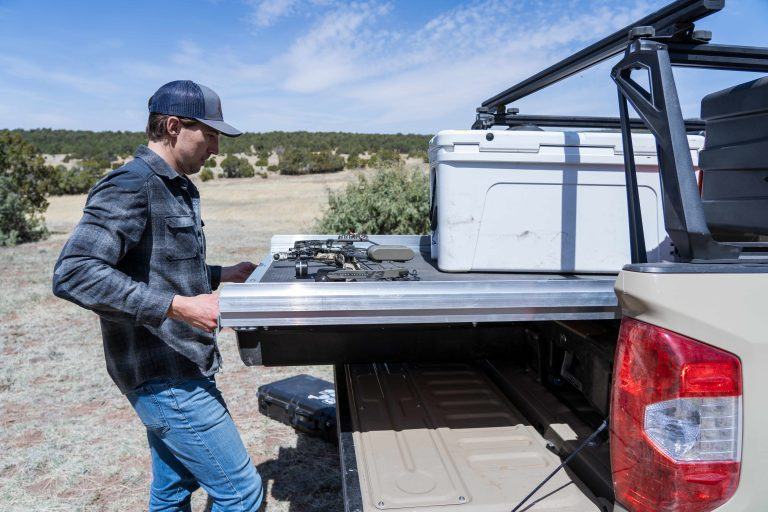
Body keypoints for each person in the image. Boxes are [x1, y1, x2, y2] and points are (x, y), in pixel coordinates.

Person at [52, 80, 264, 511]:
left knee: (172, 488)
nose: (217, 149)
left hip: (181, 364)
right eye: (211, 135)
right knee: (241, 493)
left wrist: (225, 274)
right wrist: (180, 307)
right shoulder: (132, 184)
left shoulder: (174, 186)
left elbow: (158, 267)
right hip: (164, 375)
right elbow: (73, 272)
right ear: (173, 126)